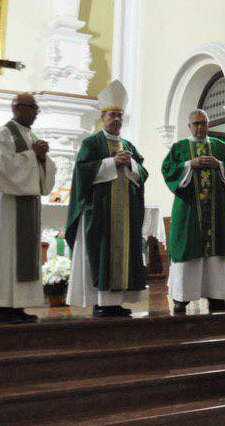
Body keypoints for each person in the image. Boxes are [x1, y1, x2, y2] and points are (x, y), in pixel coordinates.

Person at [65, 80, 149, 318]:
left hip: (124, 213)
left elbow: (143, 173)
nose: (117, 120)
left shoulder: (129, 145)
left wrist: (131, 164)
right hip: (99, 212)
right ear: (102, 118)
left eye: (120, 117)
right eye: (112, 116)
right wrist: (112, 163)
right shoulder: (91, 143)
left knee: (122, 257)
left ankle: (115, 303)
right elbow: (82, 171)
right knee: (100, 255)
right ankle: (99, 302)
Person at [0, 93, 57, 324]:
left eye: (36, 109)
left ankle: (18, 306)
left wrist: (42, 159)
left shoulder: (30, 135)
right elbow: (1, 167)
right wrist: (34, 156)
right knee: (6, 254)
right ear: (17, 108)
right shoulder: (3, 134)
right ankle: (2, 307)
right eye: (33, 108)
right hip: (9, 205)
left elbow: (44, 168)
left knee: (23, 257)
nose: (35, 113)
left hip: (28, 203)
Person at [162, 108, 225, 314]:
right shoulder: (179, 147)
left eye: (203, 123)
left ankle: (216, 298)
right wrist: (190, 164)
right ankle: (182, 298)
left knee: (215, 254)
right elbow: (168, 169)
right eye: (196, 123)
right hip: (188, 209)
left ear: (208, 125)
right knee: (188, 250)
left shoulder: (219, 146)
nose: (200, 127)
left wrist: (220, 164)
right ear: (189, 126)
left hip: (215, 211)